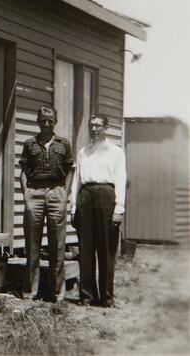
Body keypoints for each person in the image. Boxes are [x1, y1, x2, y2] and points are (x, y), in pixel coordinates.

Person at [70, 113, 126, 307]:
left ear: (106, 128)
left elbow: (120, 179)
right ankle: (86, 295)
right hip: (86, 196)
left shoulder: (116, 152)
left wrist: (119, 208)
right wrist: (73, 206)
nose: (94, 129)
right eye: (91, 125)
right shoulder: (83, 151)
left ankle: (107, 297)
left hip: (106, 197)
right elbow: (76, 180)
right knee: (85, 249)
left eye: (98, 126)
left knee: (106, 250)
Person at [19, 105, 74, 301]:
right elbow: (24, 171)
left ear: (55, 122)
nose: (47, 124)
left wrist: (65, 194)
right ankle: (29, 291)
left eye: (50, 120)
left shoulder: (64, 144)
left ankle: (57, 293)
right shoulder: (29, 144)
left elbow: (70, 169)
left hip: (56, 191)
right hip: (34, 192)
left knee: (57, 245)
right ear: (38, 121)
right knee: (32, 245)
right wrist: (26, 194)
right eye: (43, 120)